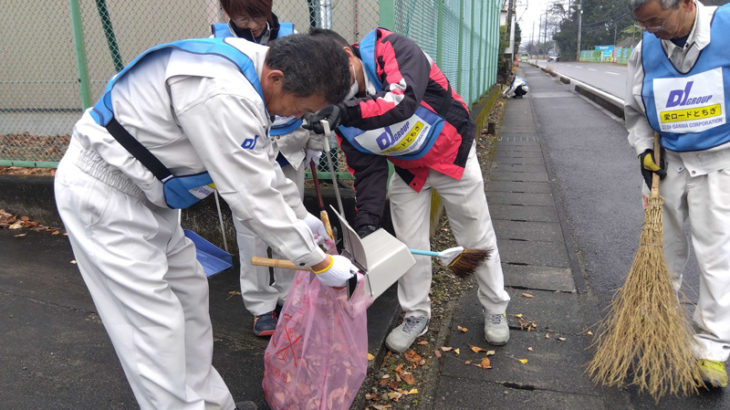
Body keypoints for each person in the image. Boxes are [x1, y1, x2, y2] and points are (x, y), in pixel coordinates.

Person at [54, 33, 355, 409]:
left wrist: (304, 221)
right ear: (277, 78)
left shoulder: (257, 72)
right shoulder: (222, 93)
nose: (298, 117)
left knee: (189, 299)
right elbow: (251, 195)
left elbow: (262, 166)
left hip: (151, 198)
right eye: (299, 108)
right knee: (152, 328)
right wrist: (318, 261)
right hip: (107, 195)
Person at [306, 28, 511, 353]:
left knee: (475, 236)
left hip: (450, 153)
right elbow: (367, 169)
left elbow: (400, 103)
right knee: (409, 244)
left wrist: (348, 112)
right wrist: (368, 224)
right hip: (408, 169)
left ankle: (495, 308)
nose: (336, 94)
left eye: (336, 81)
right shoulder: (341, 110)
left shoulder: (391, 49)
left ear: (347, 55)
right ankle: (416, 314)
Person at [625, 0, 730, 388]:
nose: (651, 29)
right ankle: (657, 330)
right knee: (660, 249)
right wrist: (643, 150)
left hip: (721, 163)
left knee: (717, 256)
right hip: (667, 163)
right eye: (643, 24)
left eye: (656, 20)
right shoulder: (646, 49)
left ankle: (711, 351)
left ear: (686, 3)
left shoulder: (727, 28)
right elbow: (634, 111)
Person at [213, 0, 328, 337]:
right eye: (242, 17)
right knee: (251, 231)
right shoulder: (219, 42)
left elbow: (310, 98)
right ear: (228, 14)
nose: (251, 26)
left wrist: (314, 145)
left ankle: (289, 299)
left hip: (288, 146)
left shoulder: (291, 38)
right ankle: (261, 307)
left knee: (293, 220)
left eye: (257, 16)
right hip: (243, 147)